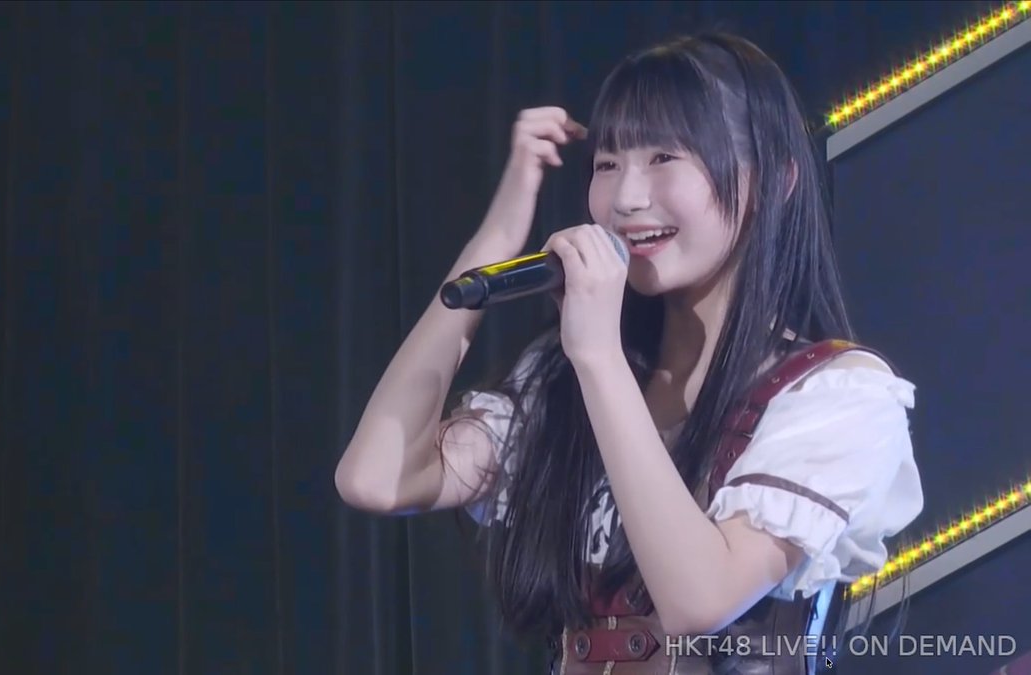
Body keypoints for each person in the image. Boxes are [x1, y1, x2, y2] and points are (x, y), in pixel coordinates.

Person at [334, 31, 924, 675]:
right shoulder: (565, 384)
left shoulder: (834, 396)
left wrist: (598, 358)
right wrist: (495, 242)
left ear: (774, 179)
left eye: (664, 157)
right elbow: (378, 477)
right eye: (608, 164)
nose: (626, 199)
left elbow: (700, 600)